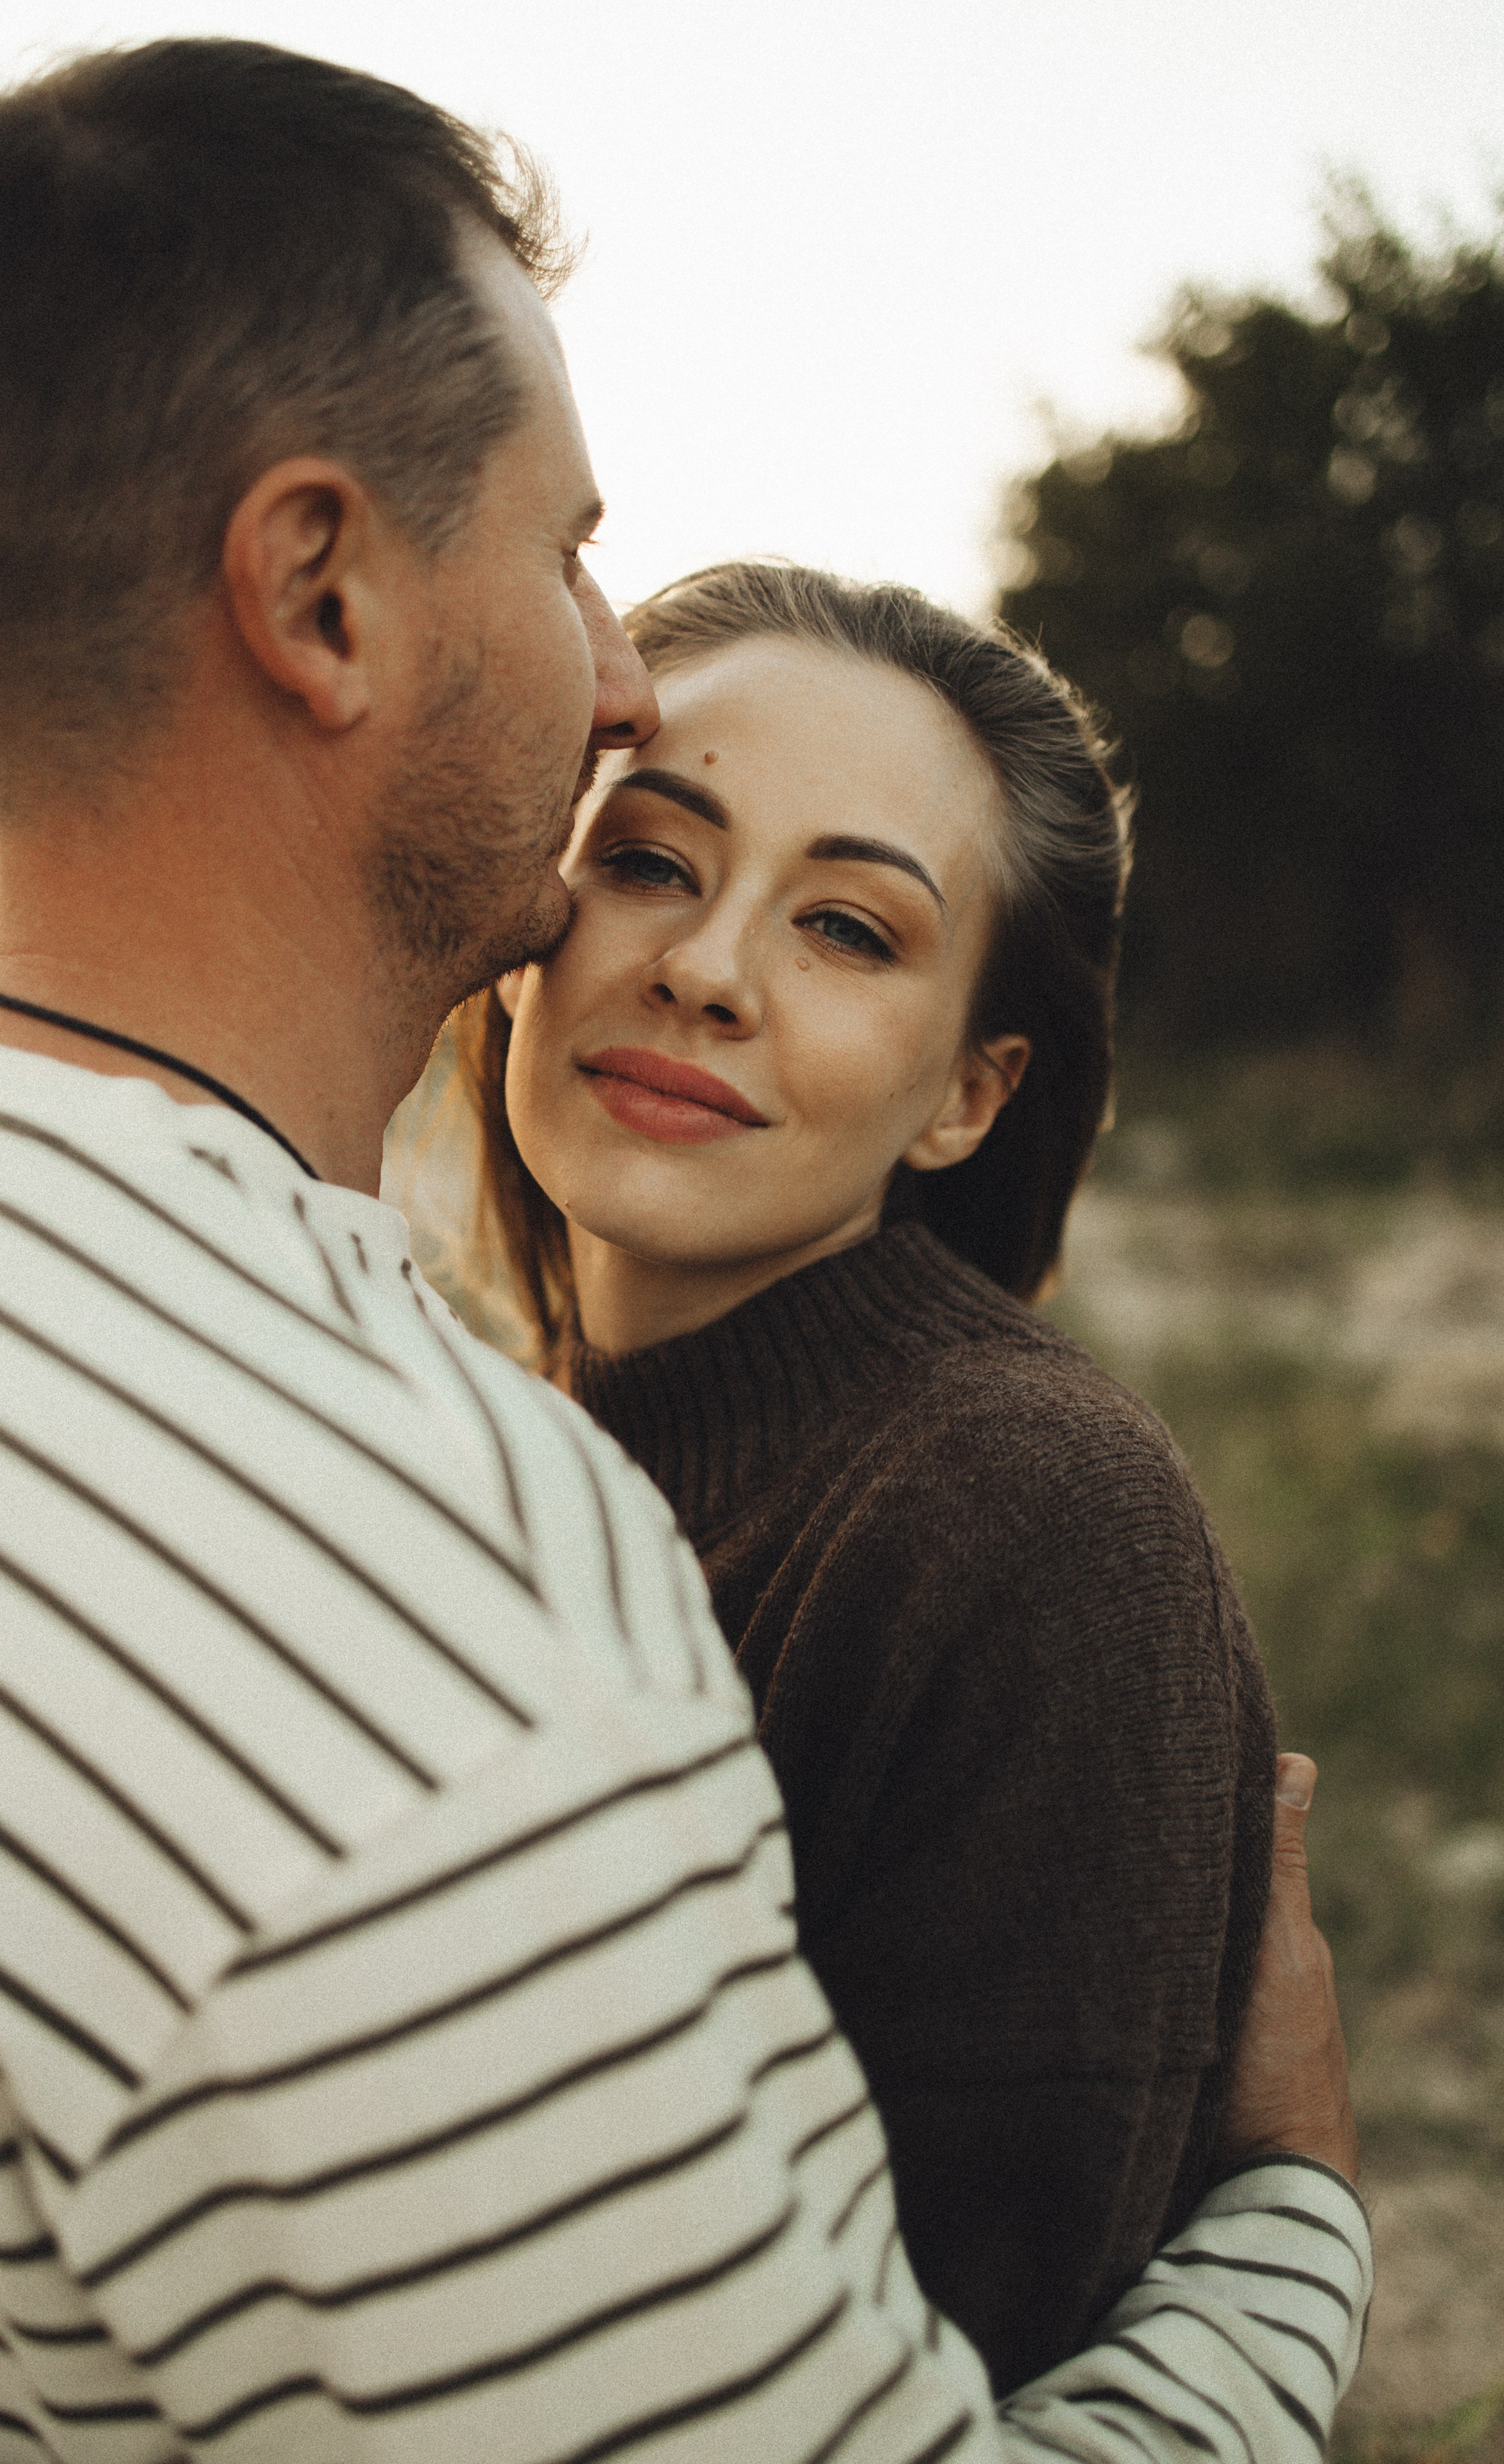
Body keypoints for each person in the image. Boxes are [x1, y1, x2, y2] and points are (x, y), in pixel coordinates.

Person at [0, 38, 1367, 2464]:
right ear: (324, 594)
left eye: (856, 928)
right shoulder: (438, 1604)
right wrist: (1298, 2208)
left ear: (984, 1080)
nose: (618, 674)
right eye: (570, 555)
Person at [459, 561, 1272, 2391]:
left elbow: (975, 2341)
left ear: (970, 1093)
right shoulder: (470, 1442)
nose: (704, 967)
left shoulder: (1030, 1513)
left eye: (848, 930)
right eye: (654, 861)